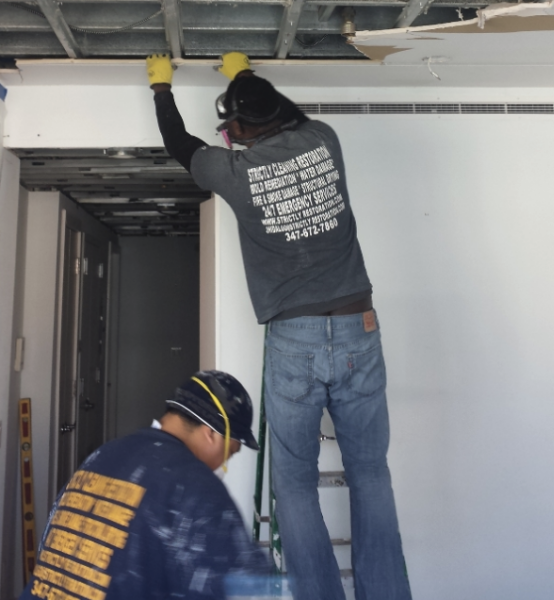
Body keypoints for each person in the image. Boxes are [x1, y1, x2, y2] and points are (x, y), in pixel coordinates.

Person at [146, 53, 412, 600]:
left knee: (294, 482)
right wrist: (243, 78)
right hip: (358, 325)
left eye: (231, 126)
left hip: (295, 338)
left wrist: (162, 89)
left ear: (240, 129)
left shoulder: (232, 172)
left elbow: (179, 143)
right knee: (370, 473)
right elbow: (284, 114)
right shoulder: (323, 140)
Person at [19, 370, 274, 600]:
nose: (223, 464)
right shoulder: (196, 487)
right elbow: (248, 590)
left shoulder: (101, 457)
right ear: (211, 434)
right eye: (230, 453)